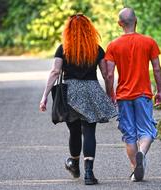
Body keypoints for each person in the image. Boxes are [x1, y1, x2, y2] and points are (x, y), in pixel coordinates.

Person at [39, 14, 117, 185]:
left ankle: (74, 164)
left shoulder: (63, 49)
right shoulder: (96, 49)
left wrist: (45, 96)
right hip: (91, 91)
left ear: (69, 31)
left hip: (71, 93)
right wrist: (110, 93)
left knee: (74, 131)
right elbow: (106, 74)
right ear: (89, 30)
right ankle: (89, 174)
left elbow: (55, 72)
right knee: (89, 132)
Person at [105, 7, 161, 182]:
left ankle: (135, 169)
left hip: (123, 96)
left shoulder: (113, 45)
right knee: (147, 130)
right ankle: (142, 155)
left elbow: (109, 75)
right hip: (143, 94)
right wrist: (160, 90)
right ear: (136, 21)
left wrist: (110, 94)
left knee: (129, 134)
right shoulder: (149, 42)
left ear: (119, 24)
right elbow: (157, 68)